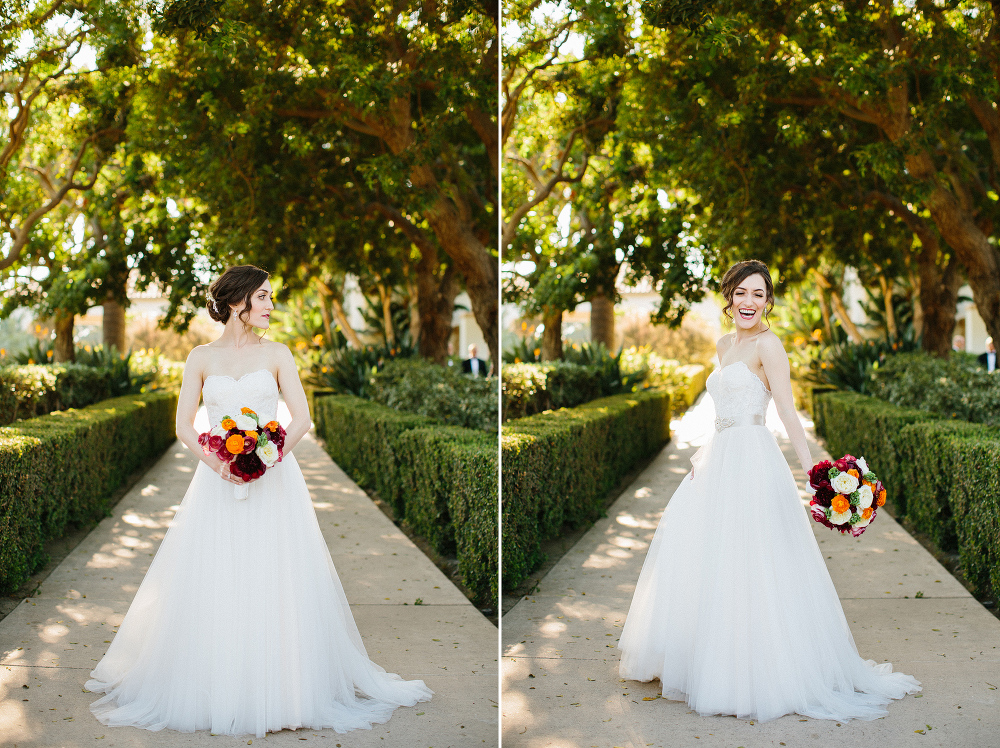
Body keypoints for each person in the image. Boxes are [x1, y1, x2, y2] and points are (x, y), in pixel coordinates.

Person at [85, 265, 432, 737]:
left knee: (276, 577)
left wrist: (267, 457)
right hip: (217, 482)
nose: (271, 305)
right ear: (236, 302)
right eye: (264, 297)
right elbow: (185, 426)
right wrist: (220, 464)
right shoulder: (200, 357)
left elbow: (302, 419)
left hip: (275, 483)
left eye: (271, 296)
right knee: (218, 578)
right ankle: (216, 685)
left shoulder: (279, 354)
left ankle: (285, 690)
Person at [617, 259, 921, 722]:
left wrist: (819, 476)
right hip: (718, 462)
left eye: (758, 294)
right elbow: (722, 415)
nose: (749, 302)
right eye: (741, 292)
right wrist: (703, 458)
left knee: (757, 562)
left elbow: (787, 413)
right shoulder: (723, 344)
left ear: (768, 302)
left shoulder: (770, 345)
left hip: (755, 463)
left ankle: (759, 671)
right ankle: (709, 659)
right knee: (711, 561)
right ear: (729, 296)